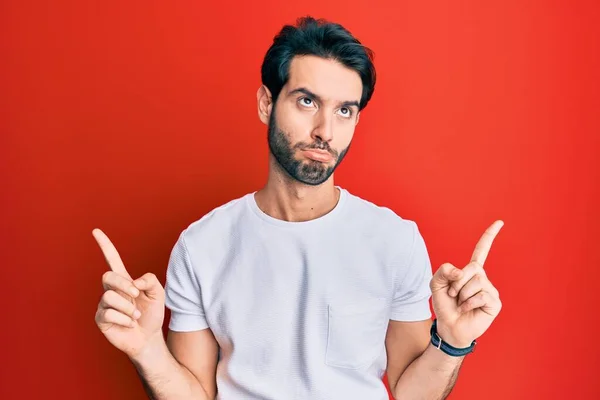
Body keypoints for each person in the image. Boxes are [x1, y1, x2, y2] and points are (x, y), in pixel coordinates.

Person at [93, 16, 503, 400]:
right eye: (307, 102)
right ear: (266, 104)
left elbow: (412, 391)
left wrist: (452, 343)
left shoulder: (394, 240)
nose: (326, 131)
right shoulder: (201, 245)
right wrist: (147, 349)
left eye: (345, 110)